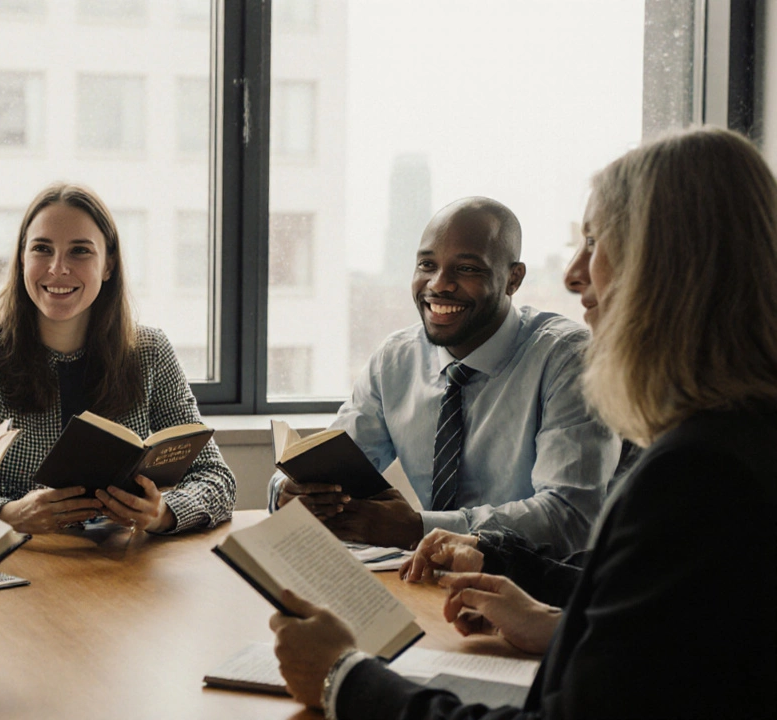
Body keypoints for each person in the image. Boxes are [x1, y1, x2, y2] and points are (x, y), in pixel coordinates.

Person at [269, 126, 777, 719]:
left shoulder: (697, 476)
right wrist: (516, 577)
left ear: (672, 268)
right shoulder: (740, 440)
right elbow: (672, 635)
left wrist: (345, 679)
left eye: (596, 243)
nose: (574, 275)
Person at [270, 197, 620, 555]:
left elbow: (570, 517)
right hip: (425, 574)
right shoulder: (395, 360)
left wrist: (418, 529)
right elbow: (329, 461)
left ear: (513, 279)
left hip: (535, 582)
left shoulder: (569, 360)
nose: (439, 284)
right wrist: (289, 490)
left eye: (466, 269)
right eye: (427, 265)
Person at [0, 182, 235, 535]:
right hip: (9, 560)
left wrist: (162, 512)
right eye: (42, 249)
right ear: (22, 259)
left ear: (108, 265)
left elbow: (217, 480)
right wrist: (6, 515)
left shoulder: (149, 352)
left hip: (117, 561)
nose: (58, 268)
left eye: (80, 251)